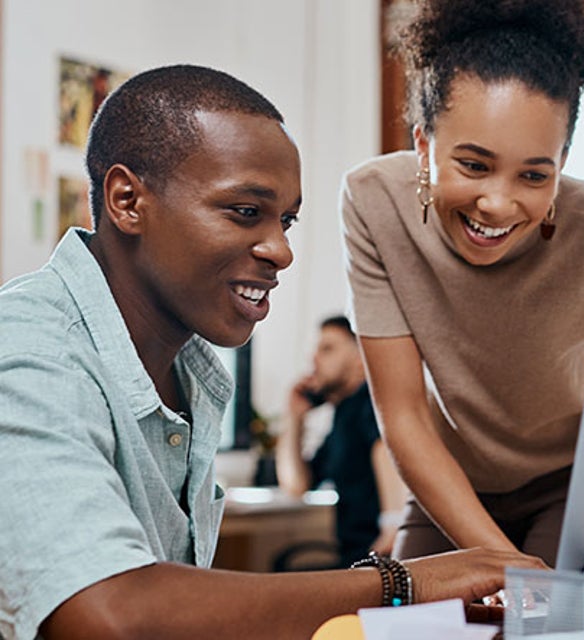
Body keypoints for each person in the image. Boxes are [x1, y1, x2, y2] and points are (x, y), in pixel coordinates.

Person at [0, 64, 545, 640]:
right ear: (128, 200)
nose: (281, 250)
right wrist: (399, 583)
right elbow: (108, 613)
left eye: (286, 220)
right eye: (245, 212)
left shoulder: (185, 369)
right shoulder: (29, 346)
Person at [340, 0, 584, 572]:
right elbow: (402, 415)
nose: (498, 204)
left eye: (533, 174)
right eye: (474, 165)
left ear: (562, 162)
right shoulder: (373, 202)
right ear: (424, 144)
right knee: (408, 630)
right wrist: (508, 564)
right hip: (449, 481)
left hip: (573, 485)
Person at [277, 315, 407, 567]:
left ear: (361, 358)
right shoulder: (342, 417)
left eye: (327, 349)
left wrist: (392, 526)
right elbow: (296, 485)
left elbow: (386, 451)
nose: (313, 360)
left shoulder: (370, 401)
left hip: (377, 552)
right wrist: (294, 418)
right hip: (354, 554)